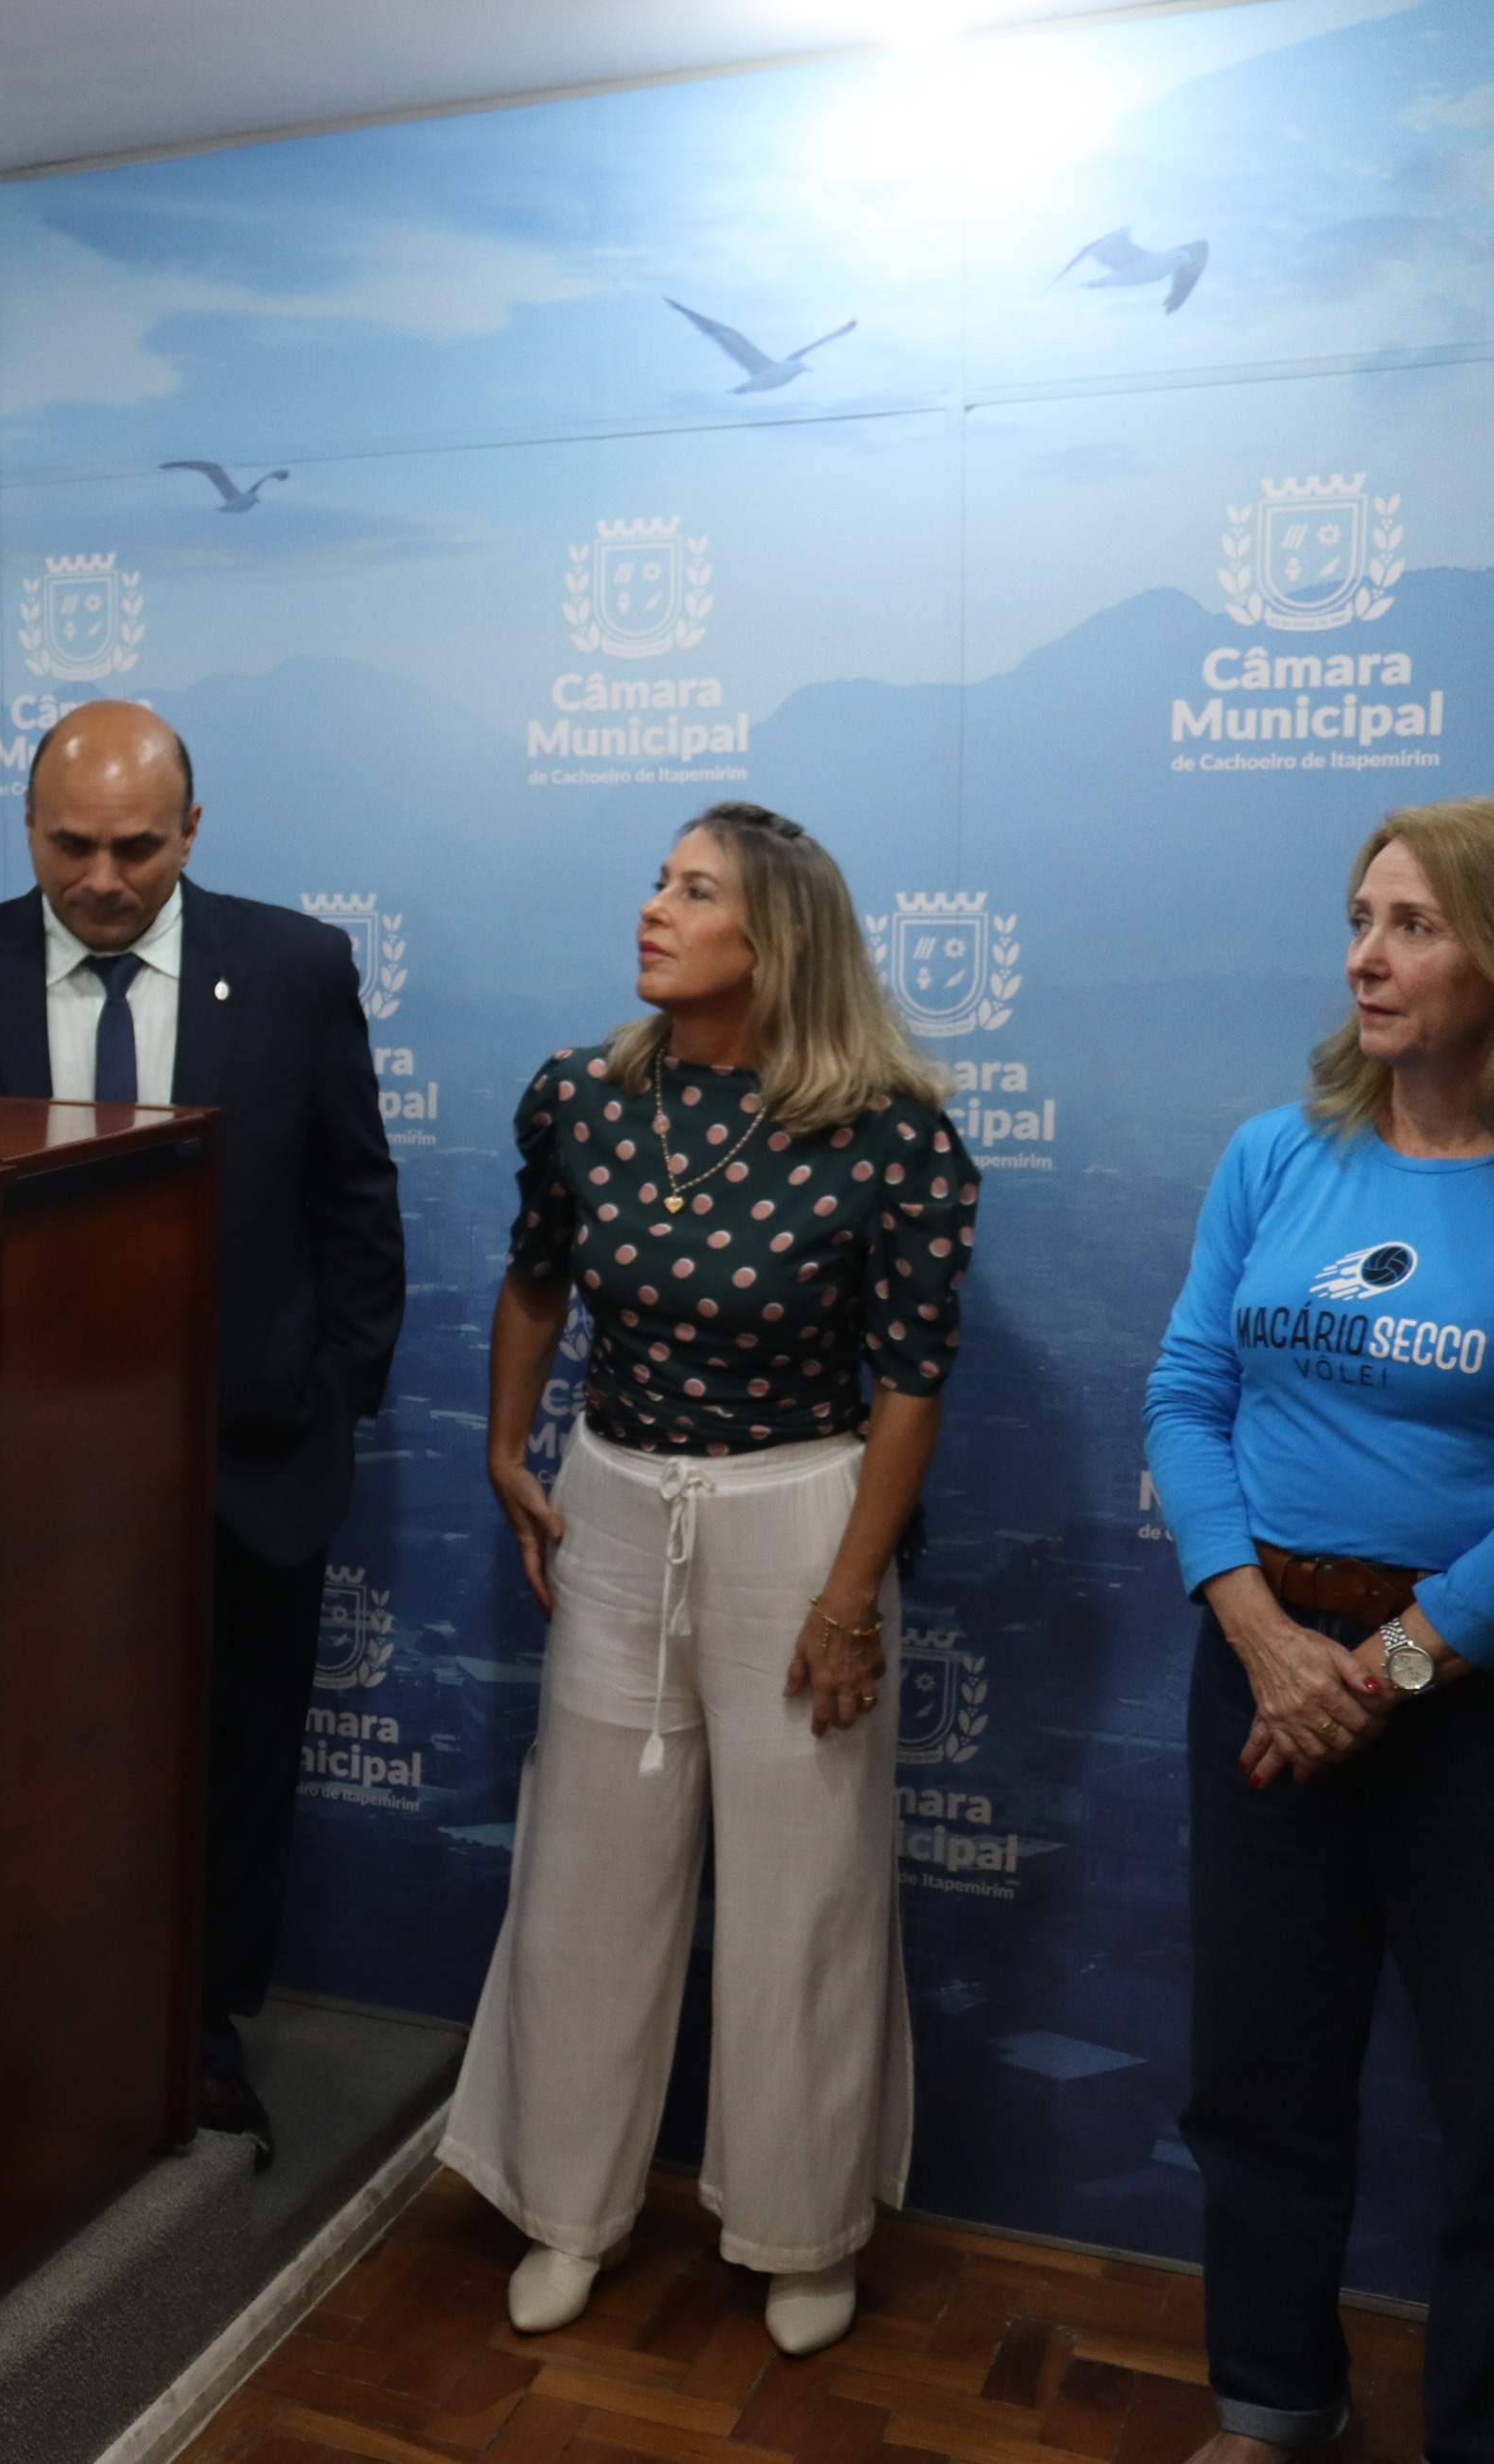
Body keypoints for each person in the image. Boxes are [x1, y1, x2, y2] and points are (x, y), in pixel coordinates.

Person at [450, 801, 972, 2357]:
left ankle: (803, 2229)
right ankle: (566, 2207)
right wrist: (506, 1447)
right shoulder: (583, 1097)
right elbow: (537, 1273)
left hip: (800, 1520)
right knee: (586, 1871)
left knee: (806, 1889)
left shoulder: (891, 1135)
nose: (654, 909)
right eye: (658, 882)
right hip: (614, 1505)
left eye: (694, 891)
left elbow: (909, 1385)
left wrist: (848, 1598)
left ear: (776, 937)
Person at [0, 699, 405, 2164]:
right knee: (28, 1760)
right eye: (70, 847)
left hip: (246, 1462)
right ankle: (29, 2021)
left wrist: (324, 1404)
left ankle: (201, 2030)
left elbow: (355, 1206)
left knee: (235, 1760)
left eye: (138, 849)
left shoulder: (295, 968)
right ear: (28, 828)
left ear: (192, 831)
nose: (102, 880)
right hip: (16, 1470)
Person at [1142, 798, 1493, 2464]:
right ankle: (1275, 2403)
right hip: (1259, 1670)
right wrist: (1263, 1638)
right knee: (1260, 2071)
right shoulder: (1276, 1154)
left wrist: (1387, 1671)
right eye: (1359, 918)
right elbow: (1184, 1392)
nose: (1365, 955)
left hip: (1459, 1704)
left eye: (1412, 924)